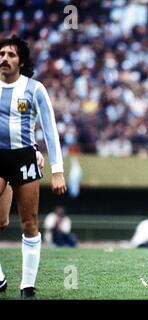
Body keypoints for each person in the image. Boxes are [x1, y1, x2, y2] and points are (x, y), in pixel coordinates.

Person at [0, 36, 66, 299]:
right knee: (1, 222)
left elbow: (50, 129)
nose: (4, 58)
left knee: (29, 221)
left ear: (22, 61)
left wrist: (57, 169)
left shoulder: (34, 89)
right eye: (1, 53)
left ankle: (27, 286)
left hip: (24, 158)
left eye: (11, 54)